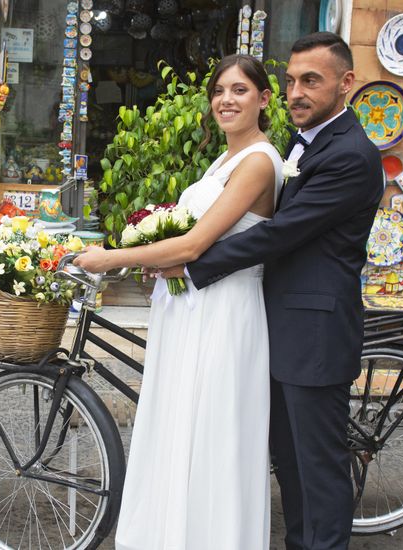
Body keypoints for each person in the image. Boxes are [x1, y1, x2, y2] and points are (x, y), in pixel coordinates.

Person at [182, 33, 382, 549]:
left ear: (346, 83)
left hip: (314, 334)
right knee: (289, 464)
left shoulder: (351, 155)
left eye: (311, 80)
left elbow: (279, 233)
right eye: (291, 80)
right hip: (275, 326)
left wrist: (190, 262)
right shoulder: (301, 143)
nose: (297, 91)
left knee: (318, 469)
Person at [75, 54, 282, 549]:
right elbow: (193, 245)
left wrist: (113, 258)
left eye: (239, 90)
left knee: (212, 430)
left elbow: (194, 245)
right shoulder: (224, 159)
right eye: (219, 91)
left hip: (225, 311)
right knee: (179, 423)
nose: (226, 100)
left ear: (264, 99)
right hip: (190, 307)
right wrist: (158, 257)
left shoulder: (258, 161)